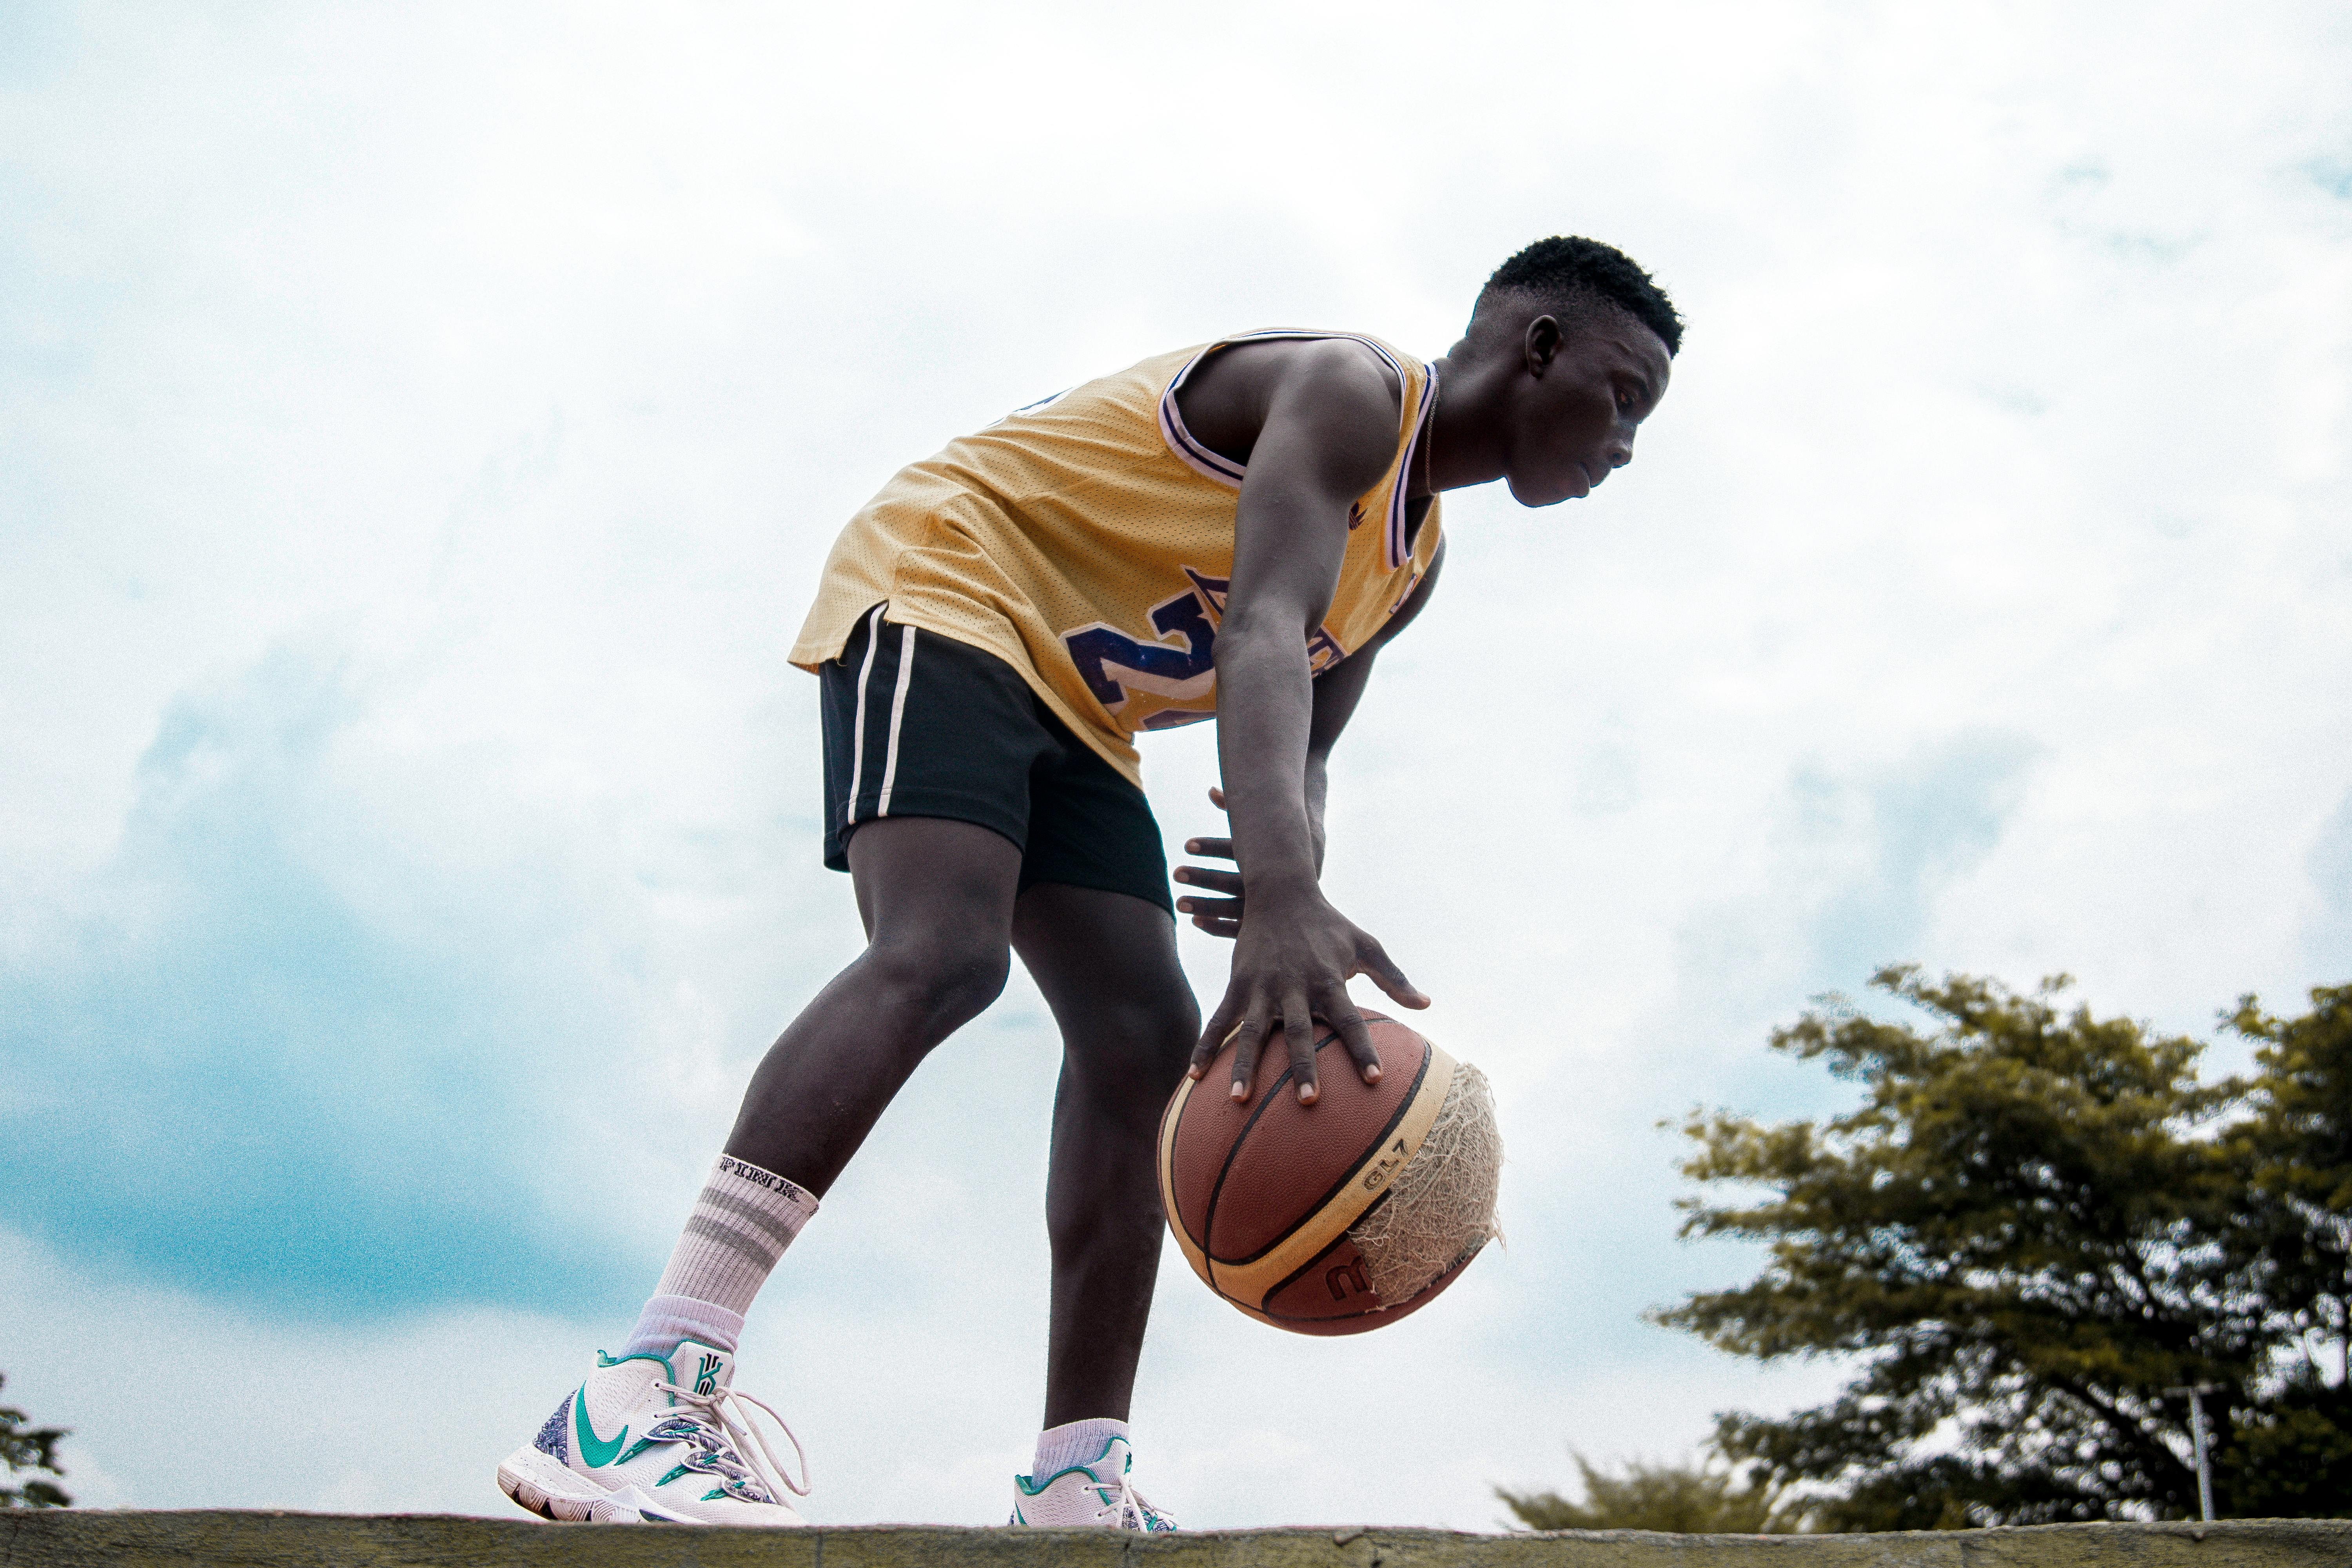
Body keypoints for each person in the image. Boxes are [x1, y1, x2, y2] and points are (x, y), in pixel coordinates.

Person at [494, 235, 1681, 1528]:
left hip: (1074, 703)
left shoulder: (1413, 559)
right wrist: (1285, 893)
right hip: (951, 580)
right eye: (1624, 399)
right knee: (944, 952)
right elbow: (1259, 629)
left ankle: (1075, 1480)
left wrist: (1277, 911)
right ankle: (642, 1386)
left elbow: (1312, 749)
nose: (1627, 445)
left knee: (1145, 1040)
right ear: (1539, 348)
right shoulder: (1352, 391)